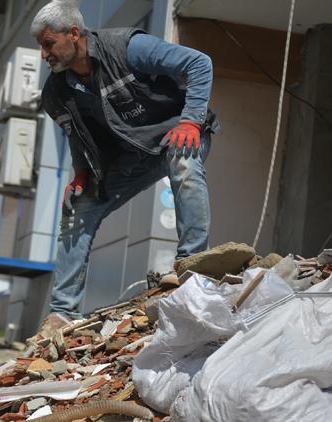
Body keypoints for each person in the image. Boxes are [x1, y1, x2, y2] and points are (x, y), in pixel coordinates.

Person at [32, 1, 217, 319]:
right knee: (78, 208)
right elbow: (78, 136)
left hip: (175, 136)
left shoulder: (128, 47)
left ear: (74, 33)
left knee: (183, 162)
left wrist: (190, 121)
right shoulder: (56, 93)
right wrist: (80, 174)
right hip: (132, 158)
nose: (43, 54)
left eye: (48, 44)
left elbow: (200, 64)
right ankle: (62, 313)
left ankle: (192, 268)